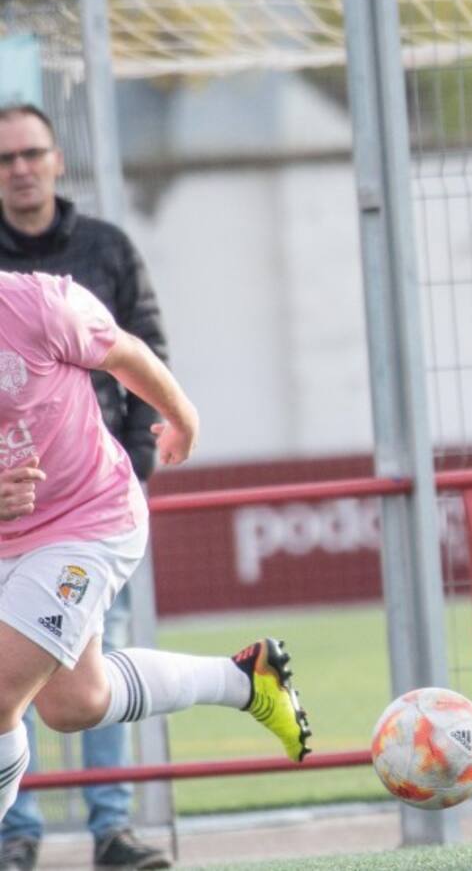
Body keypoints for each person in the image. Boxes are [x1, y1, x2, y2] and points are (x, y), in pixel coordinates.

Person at [0, 269, 312, 863]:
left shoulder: (38, 304)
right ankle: (245, 679)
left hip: (85, 522)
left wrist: (183, 414)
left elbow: (125, 352)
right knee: (75, 704)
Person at [0, 102, 170, 871]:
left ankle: (110, 825)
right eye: (5, 158)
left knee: (9, 683)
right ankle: (244, 678)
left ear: (56, 159)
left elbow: (138, 347)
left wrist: (148, 445)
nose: (20, 168)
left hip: (87, 507)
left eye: (32, 152)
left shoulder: (88, 261)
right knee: (73, 697)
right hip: (11, 519)